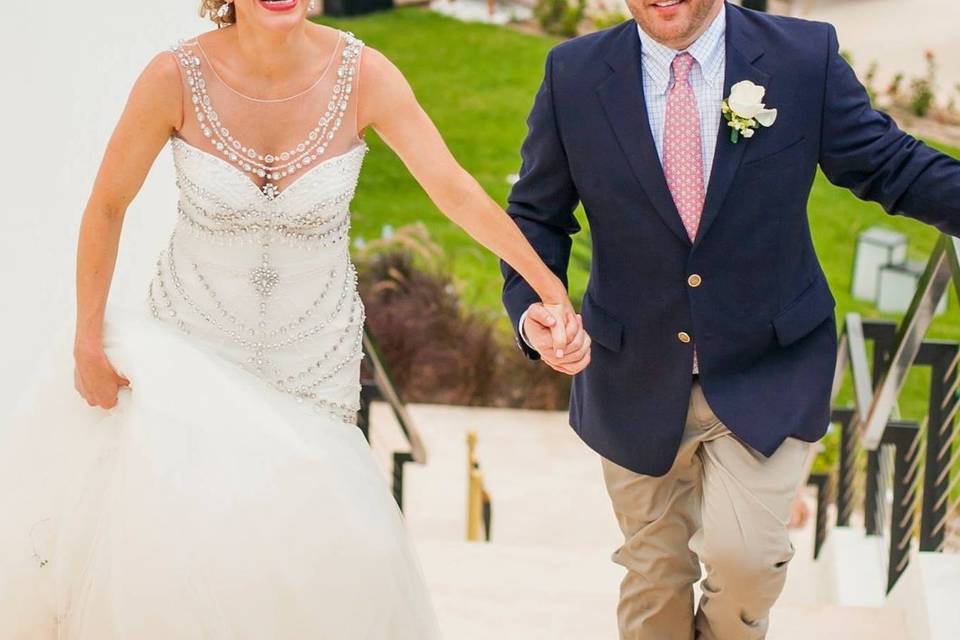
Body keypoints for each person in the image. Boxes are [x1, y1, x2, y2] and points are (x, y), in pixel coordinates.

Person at [0, 0, 588, 637]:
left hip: (312, 369)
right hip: (192, 356)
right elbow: (108, 205)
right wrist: (88, 338)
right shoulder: (173, 76)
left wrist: (547, 286)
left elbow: (453, 190)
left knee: (315, 561)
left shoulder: (365, 75)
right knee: (194, 557)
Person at [501, 0, 960, 638]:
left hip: (767, 365)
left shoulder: (804, 57)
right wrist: (534, 310)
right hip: (632, 372)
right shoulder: (572, 74)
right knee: (653, 574)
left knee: (747, 561)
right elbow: (535, 215)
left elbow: (891, 164)